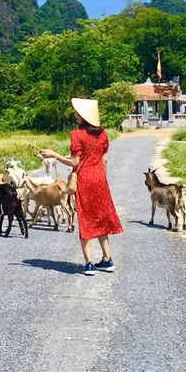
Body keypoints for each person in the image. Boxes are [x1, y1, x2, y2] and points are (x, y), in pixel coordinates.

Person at [41, 97, 123, 276]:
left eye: (77, 113)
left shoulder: (76, 135)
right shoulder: (103, 134)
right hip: (100, 180)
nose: (75, 115)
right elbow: (104, 160)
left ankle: (89, 264)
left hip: (85, 180)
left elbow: (74, 162)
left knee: (86, 219)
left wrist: (54, 155)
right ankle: (107, 259)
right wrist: (100, 177)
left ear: (84, 116)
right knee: (101, 218)